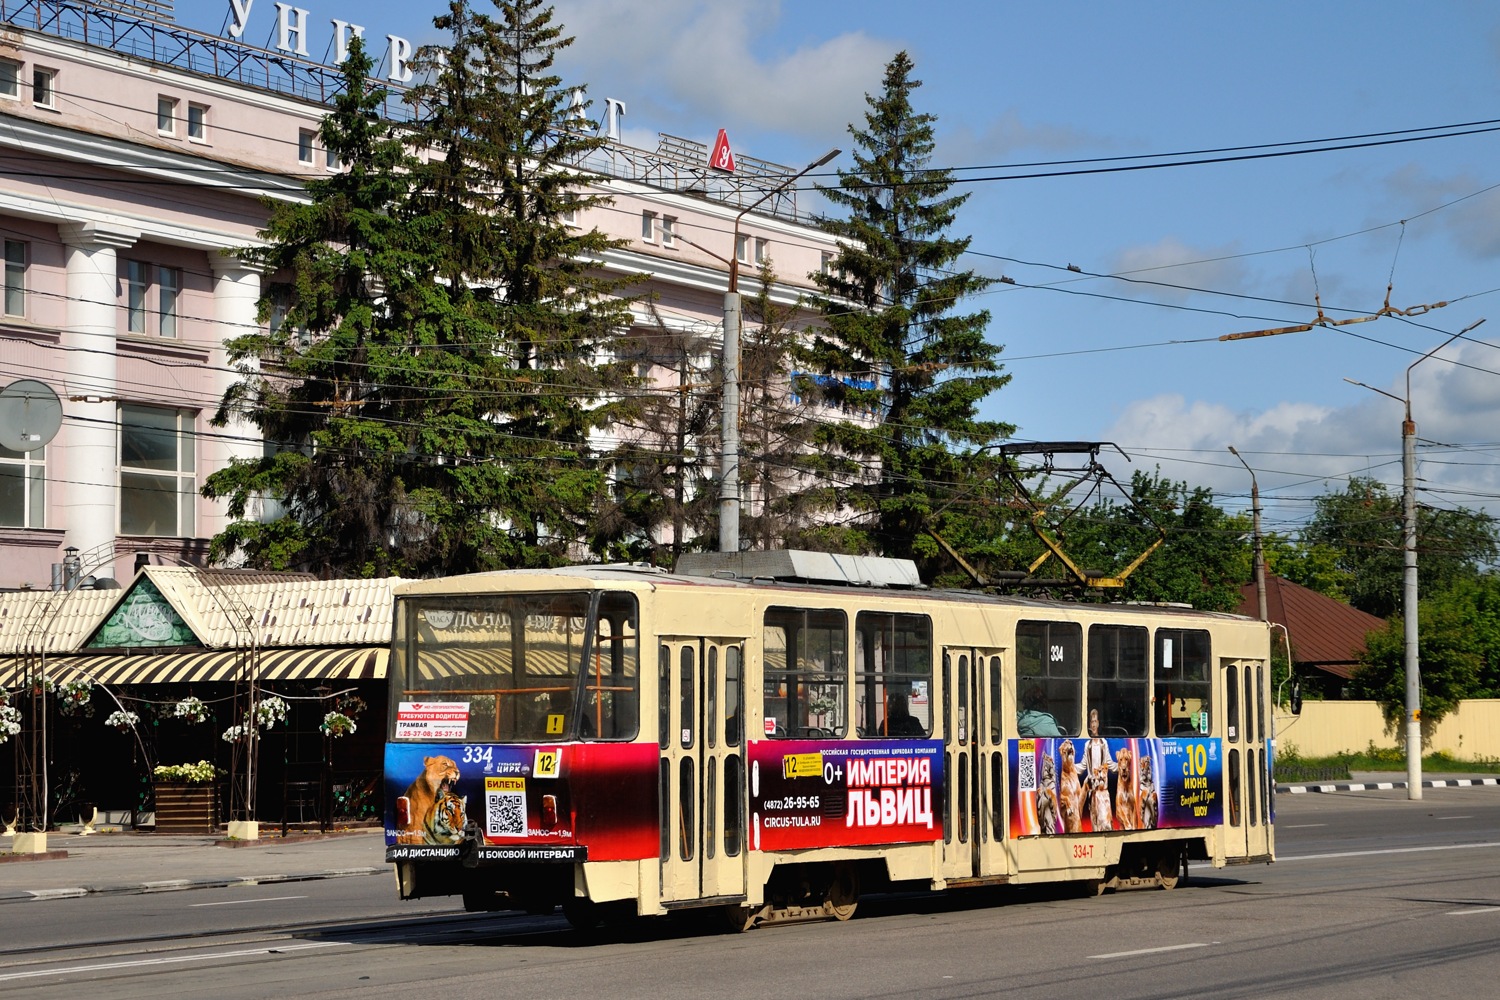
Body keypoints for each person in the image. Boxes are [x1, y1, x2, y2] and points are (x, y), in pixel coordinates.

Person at [1079, 708, 1115, 831]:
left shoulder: (1103, 743)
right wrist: (1069, 766)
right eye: (1091, 722)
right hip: (1092, 793)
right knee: (1094, 825)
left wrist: (1121, 767)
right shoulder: (1087, 745)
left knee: (1105, 824)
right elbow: (1083, 765)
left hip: (1102, 792)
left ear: (1098, 723)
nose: (1093, 725)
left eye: (1095, 721)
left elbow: (1109, 763)